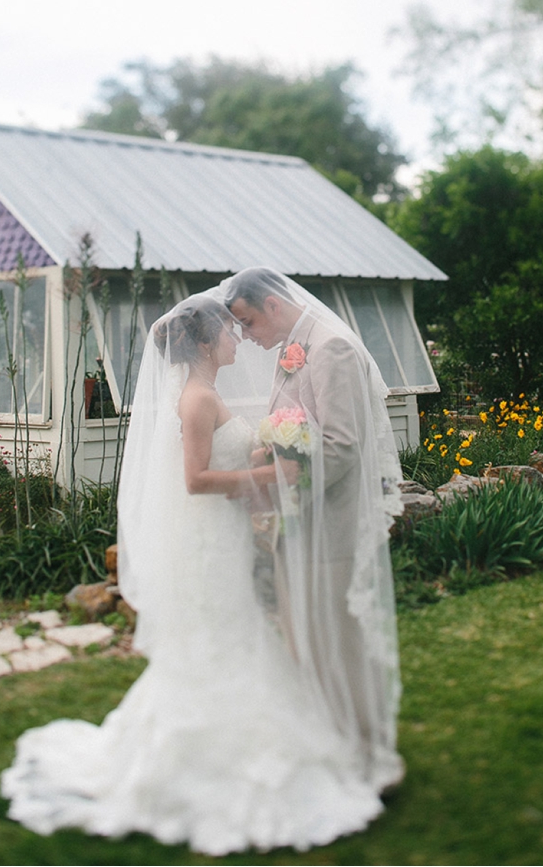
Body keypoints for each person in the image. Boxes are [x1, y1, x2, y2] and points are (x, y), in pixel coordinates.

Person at [0, 290, 393, 855]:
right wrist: (269, 478)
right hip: (211, 544)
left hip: (224, 540)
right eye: (230, 331)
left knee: (234, 638)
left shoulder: (206, 393)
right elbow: (195, 481)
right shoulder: (197, 399)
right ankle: (203, 761)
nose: (238, 337)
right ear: (208, 341)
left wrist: (268, 458)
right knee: (220, 640)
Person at [225, 268, 404, 793]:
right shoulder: (293, 348)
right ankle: (332, 740)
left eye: (249, 321)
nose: (247, 335)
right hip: (299, 523)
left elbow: (342, 445)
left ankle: (371, 754)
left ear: (274, 304)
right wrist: (268, 452)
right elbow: (297, 430)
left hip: (331, 523)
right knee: (309, 637)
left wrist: (282, 483)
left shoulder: (332, 348)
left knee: (340, 640)